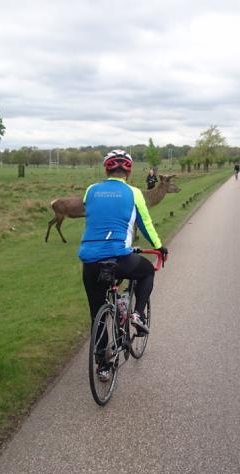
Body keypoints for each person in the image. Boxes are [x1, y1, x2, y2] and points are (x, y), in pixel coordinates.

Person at [79, 150, 169, 381]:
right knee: (147, 271)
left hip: (90, 259)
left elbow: (94, 216)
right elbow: (145, 223)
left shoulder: (91, 190)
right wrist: (159, 247)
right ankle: (137, 314)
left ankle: (103, 366)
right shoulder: (134, 192)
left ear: (106, 170)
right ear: (128, 171)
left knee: (96, 312)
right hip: (120, 257)